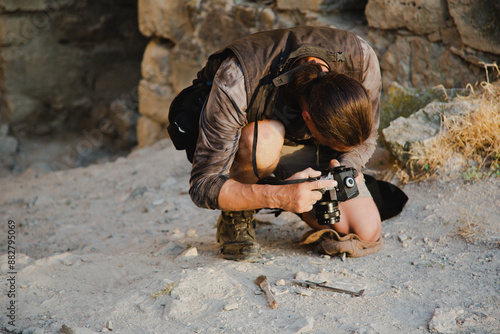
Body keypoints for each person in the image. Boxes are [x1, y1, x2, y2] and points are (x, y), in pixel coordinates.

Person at [184, 26, 382, 261]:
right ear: (308, 121)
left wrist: (344, 167)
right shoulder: (237, 78)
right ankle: (237, 214)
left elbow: (367, 139)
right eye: (338, 145)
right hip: (252, 151)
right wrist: (278, 195)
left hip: (312, 152)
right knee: (264, 137)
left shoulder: (361, 58)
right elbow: (203, 185)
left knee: (365, 232)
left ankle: (303, 182)